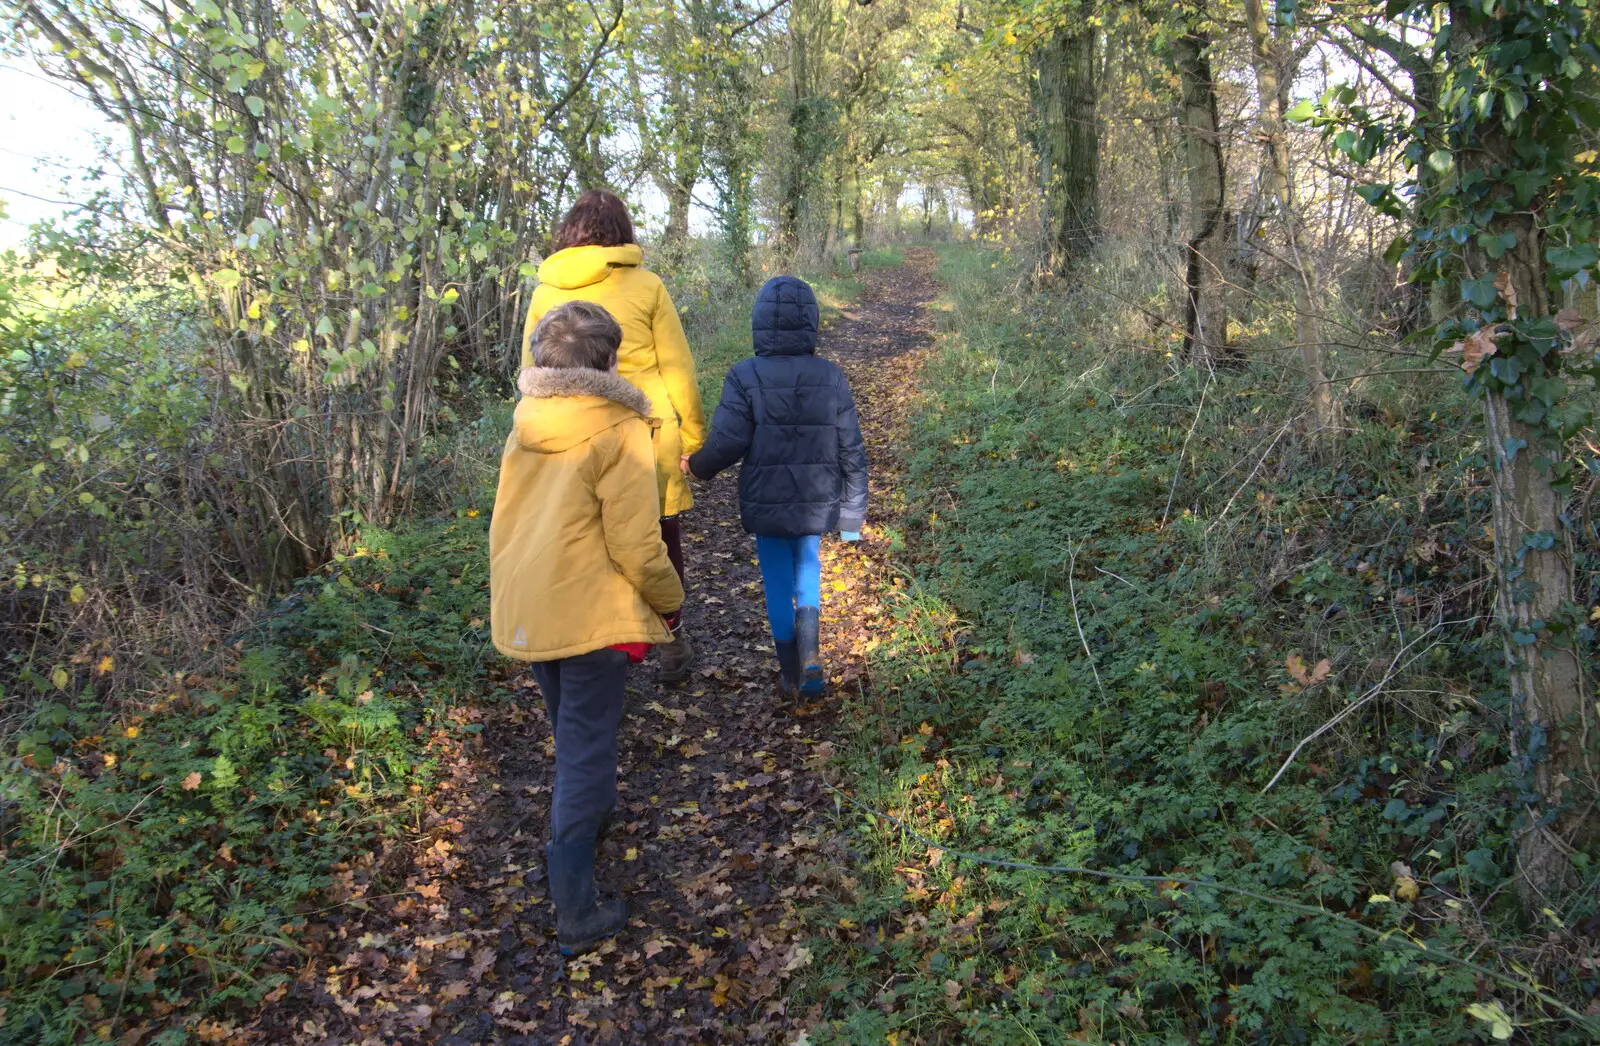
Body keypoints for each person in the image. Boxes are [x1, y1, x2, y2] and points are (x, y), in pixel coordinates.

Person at [490, 300, 684, 955]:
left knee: (571, 731)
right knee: (584, 749)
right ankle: (574, 908)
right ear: (607, 361)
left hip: (534, 605)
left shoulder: (525, 421)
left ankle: (590, 819)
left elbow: (508, 521)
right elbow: (636, 541)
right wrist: (670, 597)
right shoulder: (619, 426)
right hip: (591, 612)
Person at [522, 190, 705, 682]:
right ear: (623, 232)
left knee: (585, 540)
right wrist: (693, 436)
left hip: (573, 436)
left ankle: (598, 653)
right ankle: (671, 642)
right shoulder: (647, 286)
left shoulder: (544, 293)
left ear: (569, 231)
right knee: (658, 539)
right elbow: (677, 367)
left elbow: (530, 372)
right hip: (647, 432)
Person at [686, 276, 868, 698]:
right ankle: (811, 654)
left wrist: (697, 468)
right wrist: (852, 516)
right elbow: (852, 449)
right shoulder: (831, 376)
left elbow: (729, 442)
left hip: (766, 499)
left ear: (759, 323)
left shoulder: (744, 375)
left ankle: (789, 673)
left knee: (774, 580)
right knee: (808, 567)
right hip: (817, 497)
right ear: (812, 323)